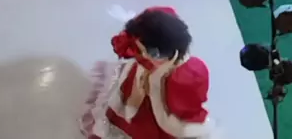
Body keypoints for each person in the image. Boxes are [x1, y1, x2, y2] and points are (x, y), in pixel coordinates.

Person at [82, 7, 210, 139]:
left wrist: (155, 84)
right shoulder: (151, 48)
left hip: (160, 120)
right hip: (138, 99)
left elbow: (174, 127)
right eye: (141, 51)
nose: (143, 56)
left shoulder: (188, 77)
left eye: (149, 53)